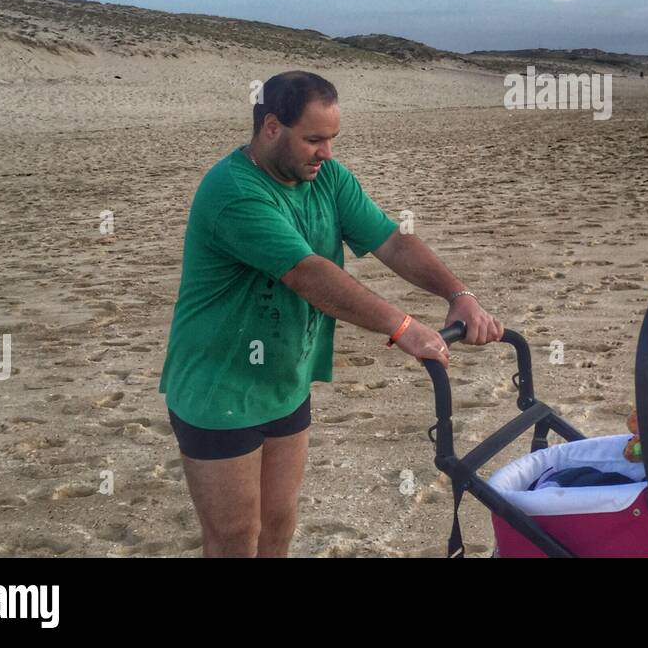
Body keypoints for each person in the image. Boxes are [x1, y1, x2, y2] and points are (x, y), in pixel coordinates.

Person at [158, 70, 503, 557]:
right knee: (235, 536)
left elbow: (391, 240)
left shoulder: (328, 179)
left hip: (283, 379)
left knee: (277, 524)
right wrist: (403, 327)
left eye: (333, 139)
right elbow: (308, 273)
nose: (327, 152)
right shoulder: (234, 191)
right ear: (272, 127)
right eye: (314, 139)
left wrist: (457, 293)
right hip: (218, 387)